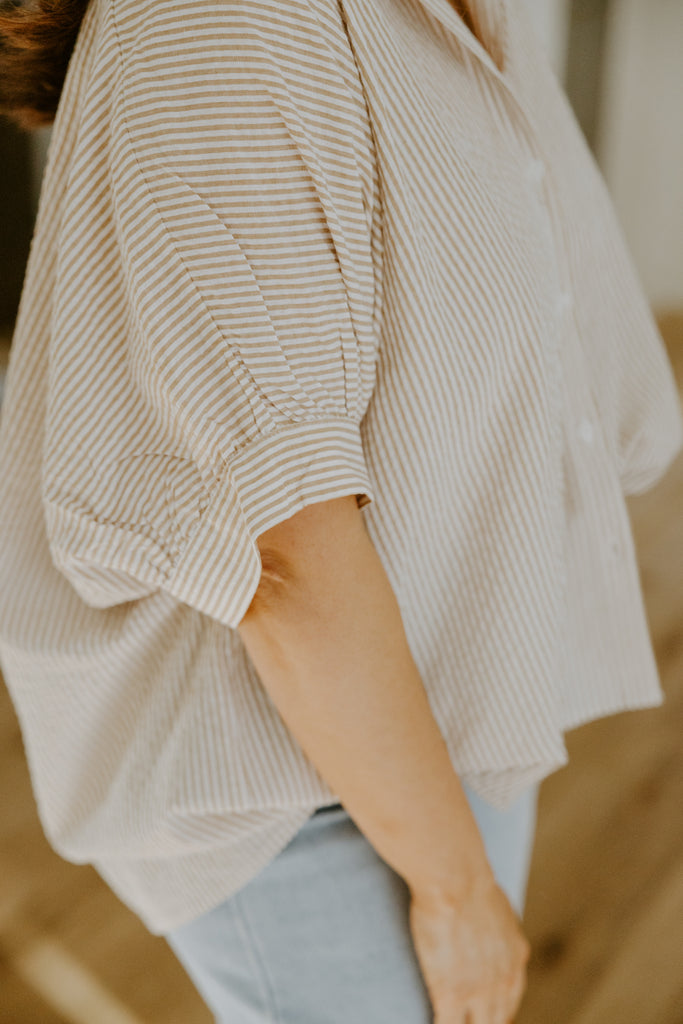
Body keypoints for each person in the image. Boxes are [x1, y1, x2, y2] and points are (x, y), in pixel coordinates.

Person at [0, 1, 680, 1021]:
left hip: (437, 688)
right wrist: (454, 889)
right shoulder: (215, 26)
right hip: (282, 774)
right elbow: (289, 564)